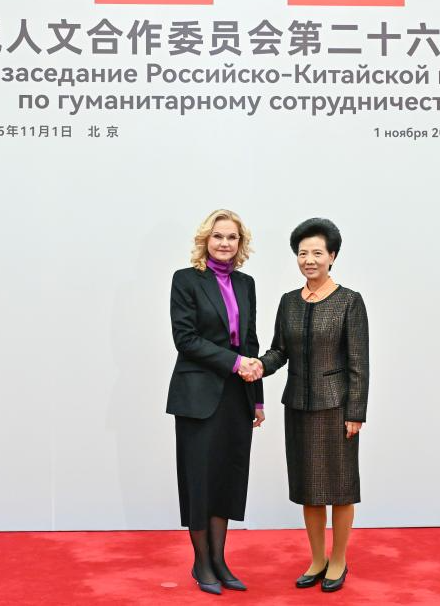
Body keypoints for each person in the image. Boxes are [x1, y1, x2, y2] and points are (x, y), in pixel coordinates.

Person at [259, 217, 369, 593]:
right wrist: (259, 366)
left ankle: (338, 559)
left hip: (337, 409)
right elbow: (279, 351)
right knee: (309, 487)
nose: (309, 260)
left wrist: (356, 412)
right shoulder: (288, 302)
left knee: (340, 488)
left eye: (317, 253)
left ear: (332, 256)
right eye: (303, 253)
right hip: (298, 406)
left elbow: (358, 362)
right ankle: (317, 558)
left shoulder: (349, 301)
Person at [166, 209, 265, 595]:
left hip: (236, 396)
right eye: (218, 236)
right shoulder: (186, 280)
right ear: (205, 240)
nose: (225, 243)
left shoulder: (246, 283)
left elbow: (250, 341)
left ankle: (220, 561)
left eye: (232, 237)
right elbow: (185, 339)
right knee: (200, 480)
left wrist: (257, 400)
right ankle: (201, 561)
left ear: (241, 244)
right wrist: (235, 363)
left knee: (226, 478)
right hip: (197, 396)